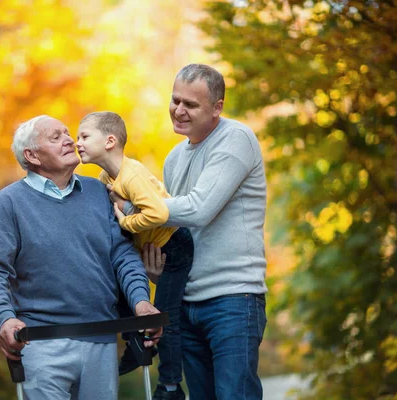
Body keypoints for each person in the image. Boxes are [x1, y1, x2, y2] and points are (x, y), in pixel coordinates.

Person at [110, 64, 268, 400]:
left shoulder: (235, 139)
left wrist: (135, 210)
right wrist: (159, 271)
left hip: (233, 299)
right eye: (175, 100)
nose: (179, 110)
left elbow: (199, 209)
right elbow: (176, 233)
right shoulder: (174, 158)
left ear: (217, 107)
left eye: (191, 105)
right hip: (185, 304)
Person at [0, 115, 162, 400]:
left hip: (101, 339)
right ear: (32, 155)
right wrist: (3, 319)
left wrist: (141, 302)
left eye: (67, 133)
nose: (69, 140)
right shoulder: (8, 203)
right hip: (40, 344)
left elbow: (123, 255)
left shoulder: (99, 192)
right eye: (56, 137)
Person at [76, 111, 194, 400]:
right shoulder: (107, 176)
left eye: (84, 136)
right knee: (116, 287)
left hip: (174, 243)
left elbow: (159, 213)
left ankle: (170, 386)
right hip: (154, 245)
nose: (76, 142)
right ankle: (135, 341)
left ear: (110, 141)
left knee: (166, 315)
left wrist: (127, 222)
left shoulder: (132, 174)